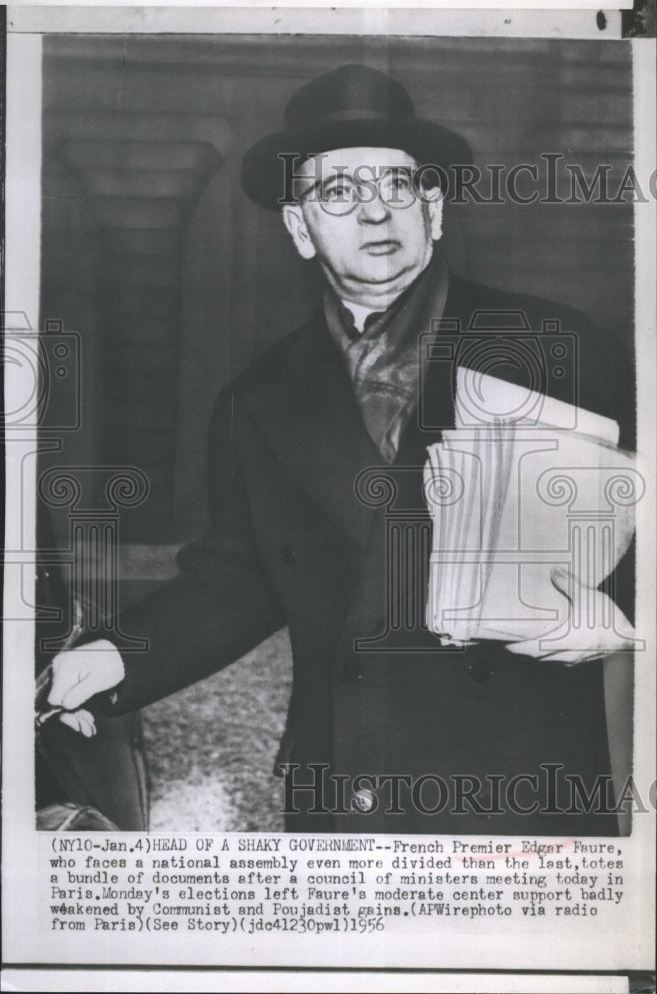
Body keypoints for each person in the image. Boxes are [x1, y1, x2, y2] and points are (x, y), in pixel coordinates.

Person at [47, 64, 636, 834]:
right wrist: (116, 659)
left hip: (519, 780)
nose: (373, 212)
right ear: (298, 227)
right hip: (347, 780)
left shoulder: (560, 349)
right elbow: (240, 576)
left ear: (434, 207)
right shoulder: (256, 400)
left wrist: (610, 610)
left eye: (397, 185)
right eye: (336, 192)